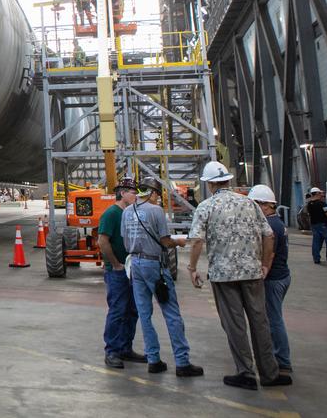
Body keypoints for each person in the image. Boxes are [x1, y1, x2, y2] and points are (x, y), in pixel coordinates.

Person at [187, 161, 289, 390]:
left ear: (210, 184)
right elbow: (269, 235)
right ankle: (270, 374)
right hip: (252, 272)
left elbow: (196, 241)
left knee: (235, 324)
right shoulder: (250, 204)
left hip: (224, 276)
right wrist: (264, 265)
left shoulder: (206, 207)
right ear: (227, 180)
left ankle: (246, 373)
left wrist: (192, 269)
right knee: (260, 322)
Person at [121, 179, 202, 377]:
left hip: (136, 266)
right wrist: (180, 242)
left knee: (145, 314)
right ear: (152, 193)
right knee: (171, 312)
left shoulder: (126, 212)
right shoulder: (155, 211)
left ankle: (153, 360)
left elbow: (125, 240)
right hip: (154, 265)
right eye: (157, 194)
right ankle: (182, 362)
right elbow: (165, 241)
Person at [97, 176, 143, 369]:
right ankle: (112, 351)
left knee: (132, 310)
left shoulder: (132, 213)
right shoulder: (112, 214)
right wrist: (115, 264)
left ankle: (125, 348)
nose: (136, 196)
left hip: (132, 270)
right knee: (118, 310)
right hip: (118, 272)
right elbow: (102, 241)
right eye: (133, 193)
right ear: (122, 193)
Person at [248, 185, 292, 374]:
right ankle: (278, 355)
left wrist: (261, 274)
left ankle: (282, 359)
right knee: (272, 317)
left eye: (255, 205)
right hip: (282, 276)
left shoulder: (271, 226)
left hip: (273, 279)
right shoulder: (276, 222)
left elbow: (270, 254)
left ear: (265, 205)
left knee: (273, 319)